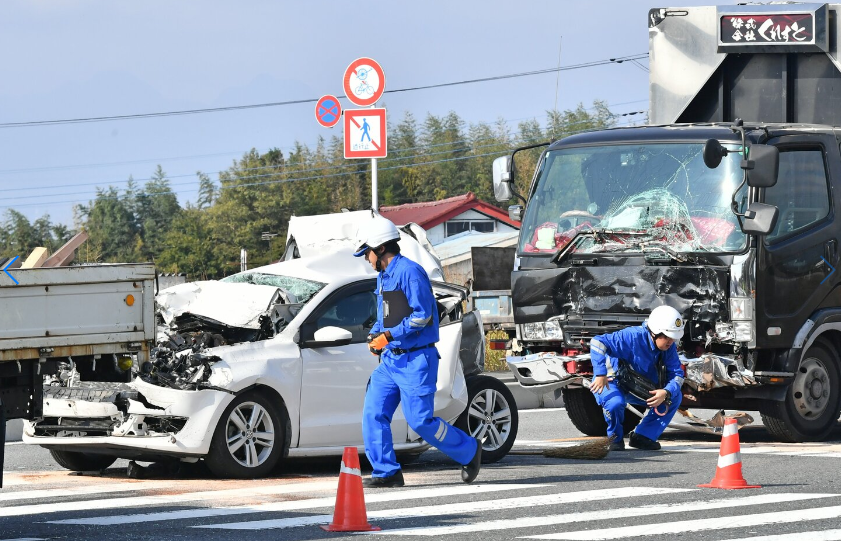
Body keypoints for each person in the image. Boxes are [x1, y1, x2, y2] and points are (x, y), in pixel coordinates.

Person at [353, 215, 481, 487]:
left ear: (380, 249)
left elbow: (422, 316)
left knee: (420, 421)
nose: (366, 259)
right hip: (390, 361)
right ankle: (387, 472)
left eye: (367, 253)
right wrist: (376, 335)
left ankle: (470, 450)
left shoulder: (411, 272)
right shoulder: (384, 277)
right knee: (373, 412)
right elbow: (385, 316)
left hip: (416, 360)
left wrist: (389, 335)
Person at [588, 305, 685, 451]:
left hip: (637, 387)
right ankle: (615, 439)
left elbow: (677, 374)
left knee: (675, 396)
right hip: (610, 382)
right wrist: (600, 373)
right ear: (654, 332)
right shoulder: (631, 336)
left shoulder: (668, 348)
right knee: (615, 403)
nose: (670, 342)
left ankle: (643, 437)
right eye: (666, 336)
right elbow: (597, 343)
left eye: (673, 338)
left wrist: (665, 392)